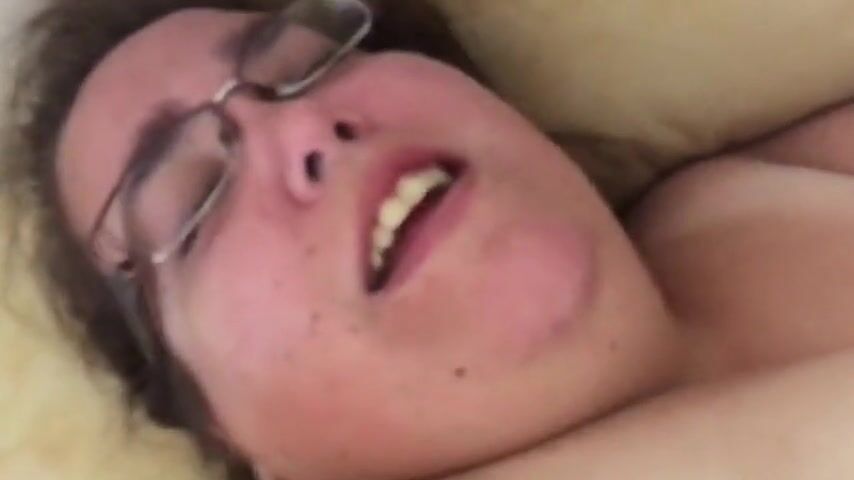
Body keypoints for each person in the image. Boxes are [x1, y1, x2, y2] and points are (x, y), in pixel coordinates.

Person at [8, 0, 854, 479]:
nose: (301, 125)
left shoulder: (724, 204)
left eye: (306, 62)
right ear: (233, 440)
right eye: (194, 199)